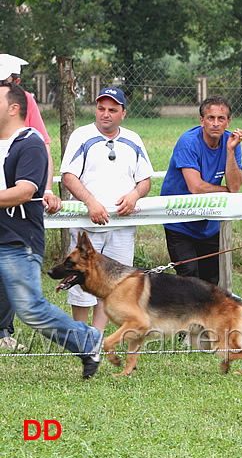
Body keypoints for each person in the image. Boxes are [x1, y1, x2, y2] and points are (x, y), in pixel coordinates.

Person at [0, 82, 101, 378]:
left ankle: (86, 339)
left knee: (30, 309)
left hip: (16, 240)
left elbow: (24, 191)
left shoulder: (29, 143)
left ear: (13, 108)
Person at [60, 87, 153, 333]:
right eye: (101, 108)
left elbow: (145, 180)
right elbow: (68, 176)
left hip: (121, 225)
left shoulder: (133, 140)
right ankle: (79, 334)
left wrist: (134, 195)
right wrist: (91, 202)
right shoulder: (81, 136)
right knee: (81, 279)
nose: (106, 114)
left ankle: (96, 336)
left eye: (113, 110)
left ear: (123, 113)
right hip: (87, 226)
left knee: (113, 283)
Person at [0, 54, 63, 350]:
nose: (16, 85)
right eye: (11, 81)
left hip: (17, 217)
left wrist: (47, 187)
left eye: (13, 82)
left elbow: (41, 146)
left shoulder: (23, 108)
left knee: (28, 304)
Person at [160, 95, 242, 285]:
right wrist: (226, 191)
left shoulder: (231, 143)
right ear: (202, 121)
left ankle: (207, 315)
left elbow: (236, 186)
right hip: (179, 221)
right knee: (189, 277)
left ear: (228, 122)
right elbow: (196, 187)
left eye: (221, 119)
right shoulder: (188, 142)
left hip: (209, 224)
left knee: (212, 280)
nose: (215, 123)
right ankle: (186, 314)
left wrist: (230, 151)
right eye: (210, 118)